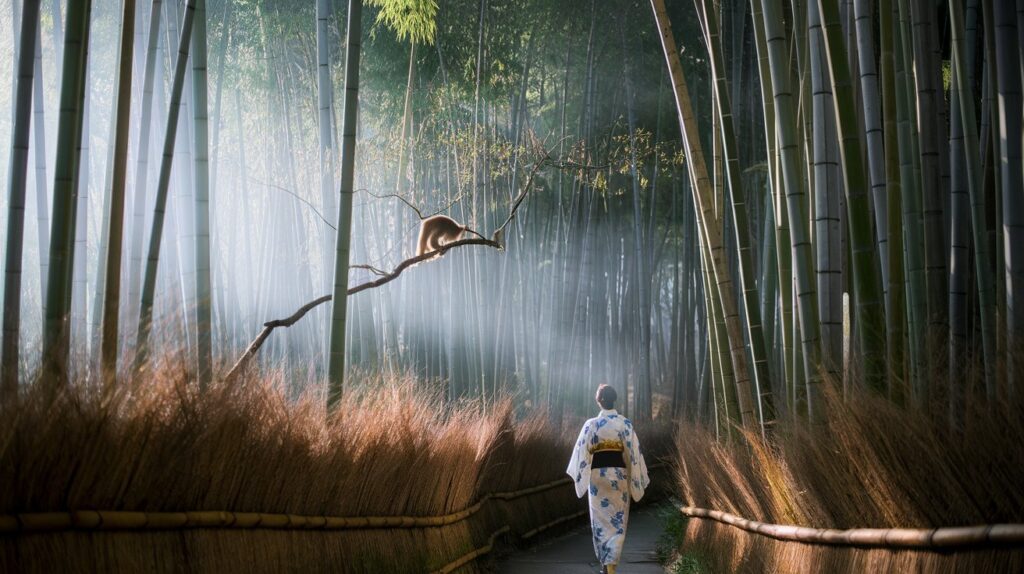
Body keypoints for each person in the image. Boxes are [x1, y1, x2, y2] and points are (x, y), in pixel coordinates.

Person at [566, 385, 649, 574]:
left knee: (600, 520)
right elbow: (633, 454)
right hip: (619, 476)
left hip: (597, 478)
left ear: (599, 401)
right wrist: (633, 475)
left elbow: (581, 452)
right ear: (614, 400)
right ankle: (611, 564)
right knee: (618, 521)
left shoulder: (590, 424)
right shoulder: (624, 424)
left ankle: (606, 564)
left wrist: (583, 473)